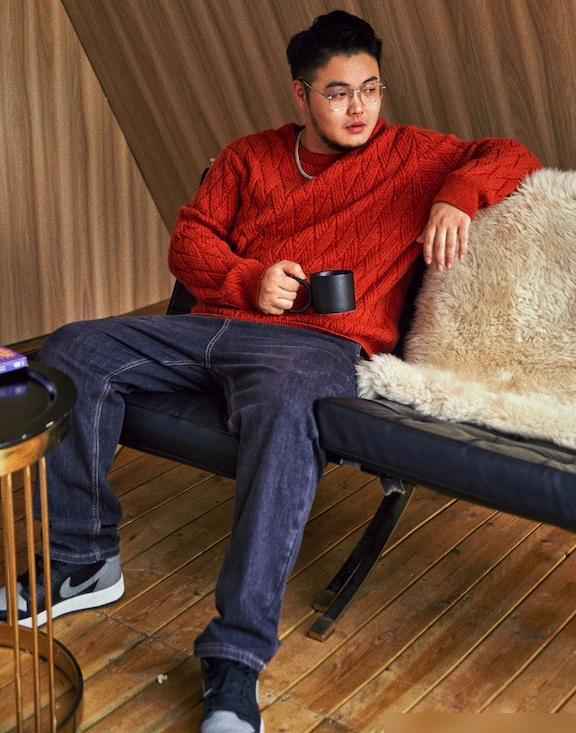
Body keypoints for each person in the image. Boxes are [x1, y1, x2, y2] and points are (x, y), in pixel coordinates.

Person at [0, 10, 541, 733]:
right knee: (72, 349)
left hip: (316, 348)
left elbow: (510, 154)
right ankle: (81, 558)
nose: (359, 109)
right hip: (214, 326)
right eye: (338, 93)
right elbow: (190, 241)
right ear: (301, 96)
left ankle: (236, 659)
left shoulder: (414, 155)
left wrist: (456, 194)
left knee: (287, 413)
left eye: (371, 89)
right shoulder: (247, 158)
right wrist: (247, 279)